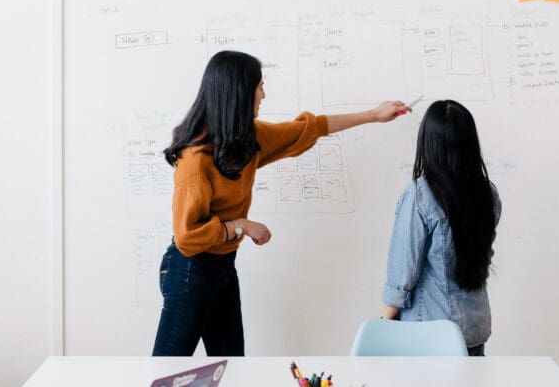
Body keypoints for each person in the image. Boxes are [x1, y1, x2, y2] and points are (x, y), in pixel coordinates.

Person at [153, 50, 412, 356]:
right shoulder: (195, 163)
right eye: (259, 87)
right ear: (238, 93)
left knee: (233, 368)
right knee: (168, 371)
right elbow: (187, 237)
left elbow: (309, 128)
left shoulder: (246, 140)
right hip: (188, 271)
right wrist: (240, 226)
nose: (264, 94)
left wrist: (373, 115)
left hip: (222, 267)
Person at [380, 100, 501, 356]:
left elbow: (402, 275)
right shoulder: (487, 194)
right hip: (474, 329)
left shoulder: (419, 195)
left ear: (428, 142)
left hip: (429, 334)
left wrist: (383, 325)